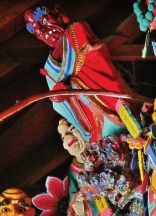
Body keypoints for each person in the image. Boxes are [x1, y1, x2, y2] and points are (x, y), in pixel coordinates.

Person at [26, 5, 133, 144]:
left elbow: (93, 55)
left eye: (45, 21)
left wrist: (67, 84)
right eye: (38, 32)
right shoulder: (49, 68)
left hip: (106, 98)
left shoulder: (76, 31)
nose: (45, 32)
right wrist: (60, 95)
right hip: (91, 115)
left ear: (59, 15)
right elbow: (58, 105)